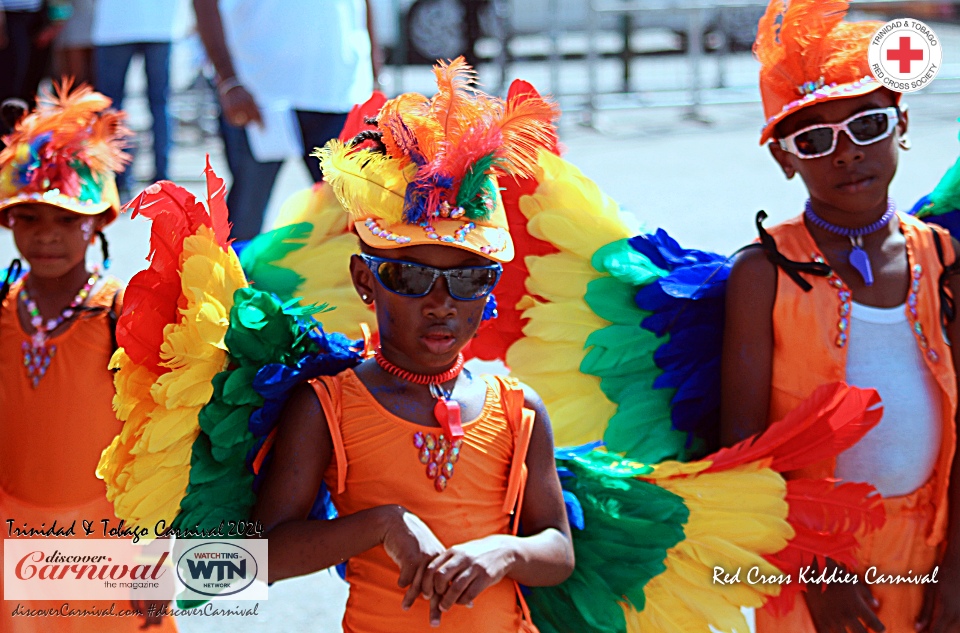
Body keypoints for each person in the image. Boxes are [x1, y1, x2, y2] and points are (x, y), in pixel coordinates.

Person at [251, 63, 575, 631]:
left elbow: (558, 550)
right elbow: (263, 559)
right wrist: (382, 524)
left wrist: (505, 551)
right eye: (411, 276)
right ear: (364, 281)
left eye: (469, 279)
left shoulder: (518, 409)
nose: (440, 303)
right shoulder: (327, 407)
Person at [721, 1, 960, 632]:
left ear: (901, 124)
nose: (847, 153)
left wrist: (956, 571)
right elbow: (741, 449)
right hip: (805, 568)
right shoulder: (763, 272)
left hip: (929, 552)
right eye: (814, 139)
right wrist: (812, 568)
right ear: (785, 159)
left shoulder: (943, 260)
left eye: (867, 124)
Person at [0, 83, 174, 632]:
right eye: (29, 218)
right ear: (8, 221)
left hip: (108, 543)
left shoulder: (121, 313)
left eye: (65, 219)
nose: (46, 236)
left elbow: (159, 435)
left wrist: (156, 551)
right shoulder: (3, 307)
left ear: (99, 220)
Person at [192, 0, 380, 241]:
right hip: (261, 96)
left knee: (353, 225)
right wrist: (228, 80)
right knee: (243, 223)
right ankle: (229, 268)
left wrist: (374, 78)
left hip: (341, 93)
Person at [92, 0, 185, 194]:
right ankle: (163, 177)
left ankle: (118, 176)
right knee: (160, 103)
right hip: (160, 24)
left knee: (113, 105)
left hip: (115, 25)